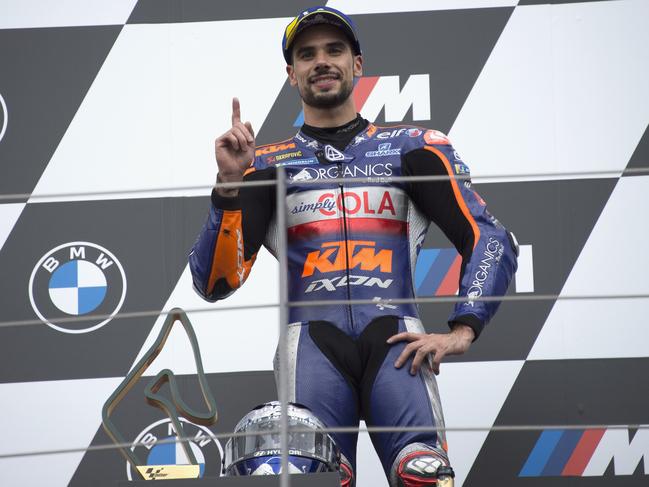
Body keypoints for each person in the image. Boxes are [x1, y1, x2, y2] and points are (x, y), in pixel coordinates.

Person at [189, 6, 518, 486]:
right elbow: (214, 282)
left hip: (398, 347)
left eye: (334, 50)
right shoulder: (262, 164)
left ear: (357, 64)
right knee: (317, 479)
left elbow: (490, 238)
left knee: (422, 474)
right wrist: (229, 188)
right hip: (310, 352)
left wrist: (463, 329)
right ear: (291, 74)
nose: (321, 61)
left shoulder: (414, 147)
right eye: (307, 54)